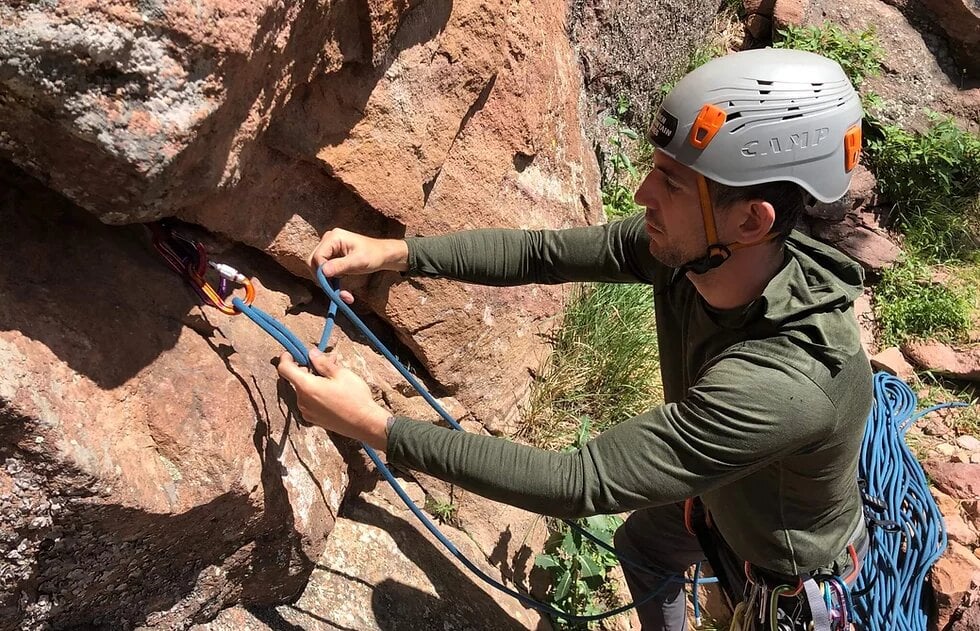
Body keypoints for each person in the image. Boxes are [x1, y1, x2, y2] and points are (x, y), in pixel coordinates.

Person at [276, 48, 873, 631]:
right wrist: (395, 254)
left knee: (650, 542)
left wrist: (374, 426)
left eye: (671, 182)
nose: (642, 195)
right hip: (720, 496)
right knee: (645, 544)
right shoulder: (695, 253)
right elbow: (543, 254)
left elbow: (576, 482)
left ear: (751, 221)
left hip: (778, 572)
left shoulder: (785, 383)